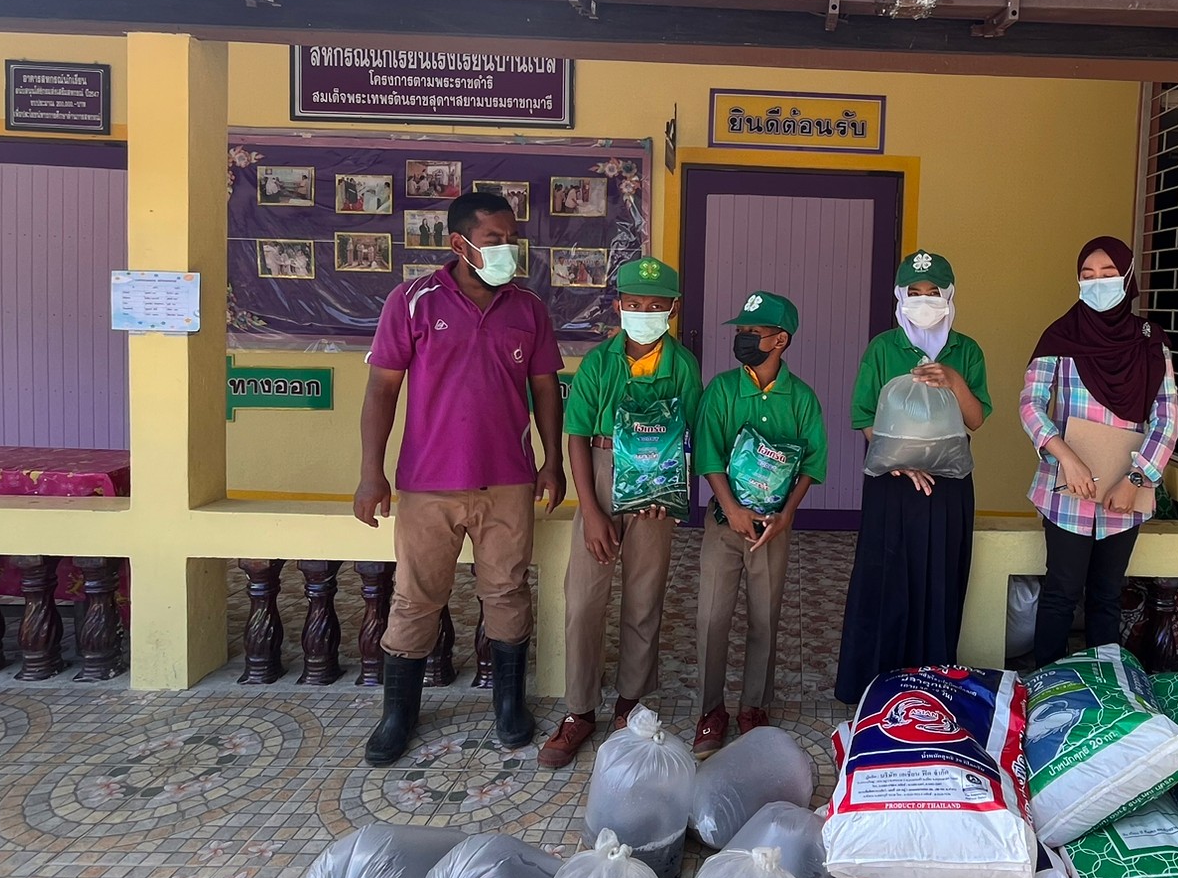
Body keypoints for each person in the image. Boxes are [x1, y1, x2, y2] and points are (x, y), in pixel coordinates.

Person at [353, 188, 566, 765]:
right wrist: (371, 474)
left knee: (507, 591)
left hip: (509, 481)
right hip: (427, 482)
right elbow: (381, 390)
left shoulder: (528, 308)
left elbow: (546, 390)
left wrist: (552, 461)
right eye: (494, 239)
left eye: (512, 239)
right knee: (416, 598)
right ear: (459, 243)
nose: (507, 249)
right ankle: (398, 715)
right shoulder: (412, 301)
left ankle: (509, 705)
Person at [538, 256, 703, 768]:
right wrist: (590, 510)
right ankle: (579, 709)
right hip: (602, 474)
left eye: (656, 306)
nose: (645, 313)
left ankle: (631, 702)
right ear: (618, 307)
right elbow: (577, 436)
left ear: (673, 309)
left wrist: (670, 491)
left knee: (644, 597)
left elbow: (690, 434)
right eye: (635, 304)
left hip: (657, 485)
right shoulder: (598, 363)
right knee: (584, 600)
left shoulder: (683, 365)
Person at [834, 250, 991, 705]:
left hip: (948, 484)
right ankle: (876, 685)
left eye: (933, 292)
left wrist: (953, 380)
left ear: (950, 296)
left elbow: (976, 419)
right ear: (900, 296)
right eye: (914, 292)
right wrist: (899, 460)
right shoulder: (884, 348)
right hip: (893, 483)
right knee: (886, 581)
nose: (924, 301)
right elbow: (863, 415)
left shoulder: (966, 350)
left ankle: (930, 683)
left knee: (941, 581)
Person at [1019, 235, 1178, 668]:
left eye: (1108, 274)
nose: (1097, 282)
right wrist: (1065, 457)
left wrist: (1136, 479)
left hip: (1126, 488)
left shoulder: (1151, 342)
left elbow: (1166, 419)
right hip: (1068, 487)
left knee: (1107, 595)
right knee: (1061, 591)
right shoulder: (1061, 335)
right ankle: (1049, 684)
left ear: (1127, 278)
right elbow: (1030, 403)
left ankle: (1105, 686)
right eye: (1087, 275)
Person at [692, 290, 828, 755]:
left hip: (772, 529)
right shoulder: (722, 390)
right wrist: (730, 508)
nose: (743, 338)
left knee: (764, 618)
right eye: (741, 331)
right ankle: (711, 710)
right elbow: (708, 453)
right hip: (723, 524)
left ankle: (754, 705)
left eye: (754, 332)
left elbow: (813, 461)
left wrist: (788, 513)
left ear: (780, 340)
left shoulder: (802, 398)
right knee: (712, 617)